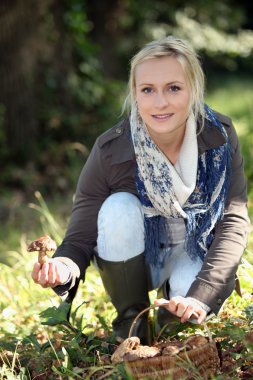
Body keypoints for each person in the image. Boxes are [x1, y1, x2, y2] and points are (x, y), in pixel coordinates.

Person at [32, 35, 250, 344]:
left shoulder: (220, 136)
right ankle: (131, 324)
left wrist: (200, 297)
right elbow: (80, 236)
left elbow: (233, 220)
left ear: (194, 90)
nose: (159, 103)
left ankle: (170, 322)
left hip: (196, 250)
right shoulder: (111, 149)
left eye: (173, 88)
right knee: (118, 207)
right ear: (135, 93)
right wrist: (62, 268)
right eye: (147, 90)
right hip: (141, 258)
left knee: (184, 320)